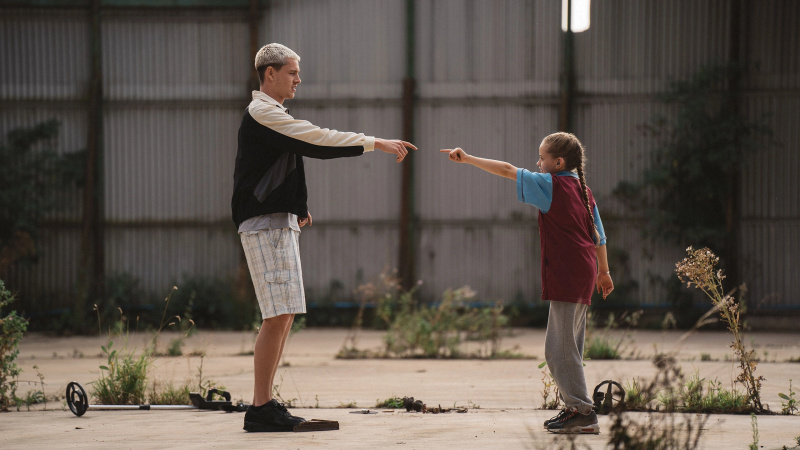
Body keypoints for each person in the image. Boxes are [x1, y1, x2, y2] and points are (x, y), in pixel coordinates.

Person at [232, 43, 416, 433]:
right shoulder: (263, 113)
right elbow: (315, 140)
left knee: (285, 313)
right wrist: (374, 142)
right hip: (263, 223)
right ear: (270, 74)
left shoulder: (274, 115)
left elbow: (285, 162)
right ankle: (260, 406)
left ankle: (265, 404)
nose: (299, 79)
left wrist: (297, 204)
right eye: (292, 72)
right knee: (276, 314)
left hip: (277, 220)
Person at [440, 132, 614, 434]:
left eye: (542, 158)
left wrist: (467, 159)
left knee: (559, 350)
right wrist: (604, 272)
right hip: (584, 272)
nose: (538, 163)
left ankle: (583, 412)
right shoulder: (583, 190)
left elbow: (508, 170)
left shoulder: (551, 184)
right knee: (569, 345)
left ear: (558, 162)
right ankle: (575, 409)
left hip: (568, 273)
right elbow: (600, 234)